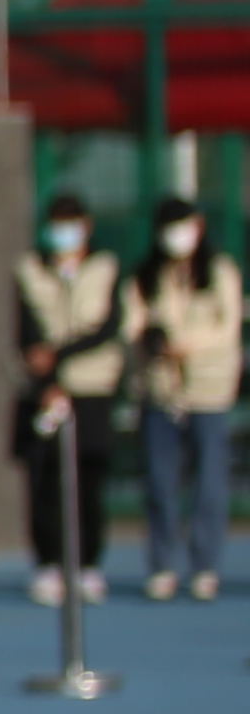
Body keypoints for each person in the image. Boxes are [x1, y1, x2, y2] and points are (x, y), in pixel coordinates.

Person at [14, 190, 124, 607]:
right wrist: (45, 377)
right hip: (44, 390)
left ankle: (88, 563)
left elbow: (107, 327)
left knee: (89, 479)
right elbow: (25, 330)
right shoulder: (29, 270)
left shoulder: (105, 268)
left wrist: (59, 355)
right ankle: (48, 562)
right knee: (44, 478)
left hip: (92, 388)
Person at [127, 196, 235, 600]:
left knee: (209, 482)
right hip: (160, 391)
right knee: (160, 481)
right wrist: (150, 341)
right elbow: (131, 324)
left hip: (209, 390)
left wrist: (185, 346)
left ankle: (204, 565)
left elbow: (226, 329)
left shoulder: (219, 271)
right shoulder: (146, 275)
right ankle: (163, 564)